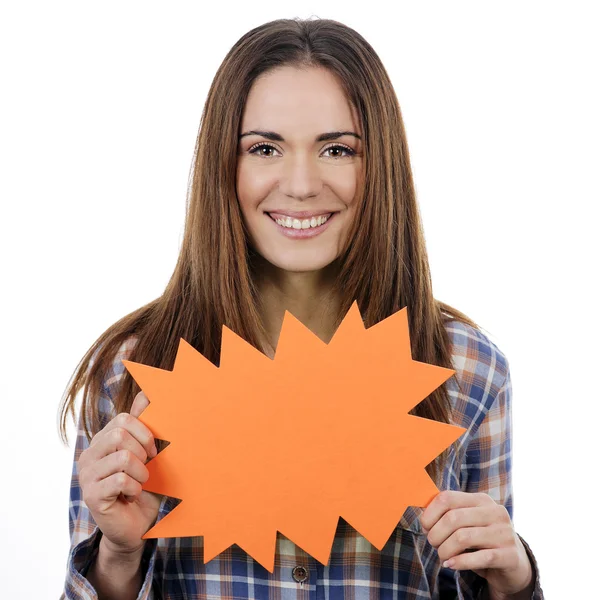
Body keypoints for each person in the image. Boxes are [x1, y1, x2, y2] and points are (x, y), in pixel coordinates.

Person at [59, 17, 544, 600]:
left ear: (379, 166)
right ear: (224, 165)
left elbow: (481, 576)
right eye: (264, 148)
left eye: (337, 149)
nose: (300, 183)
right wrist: (117, 553)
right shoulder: (132, 368)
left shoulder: (467, 366)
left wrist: (512, 578)